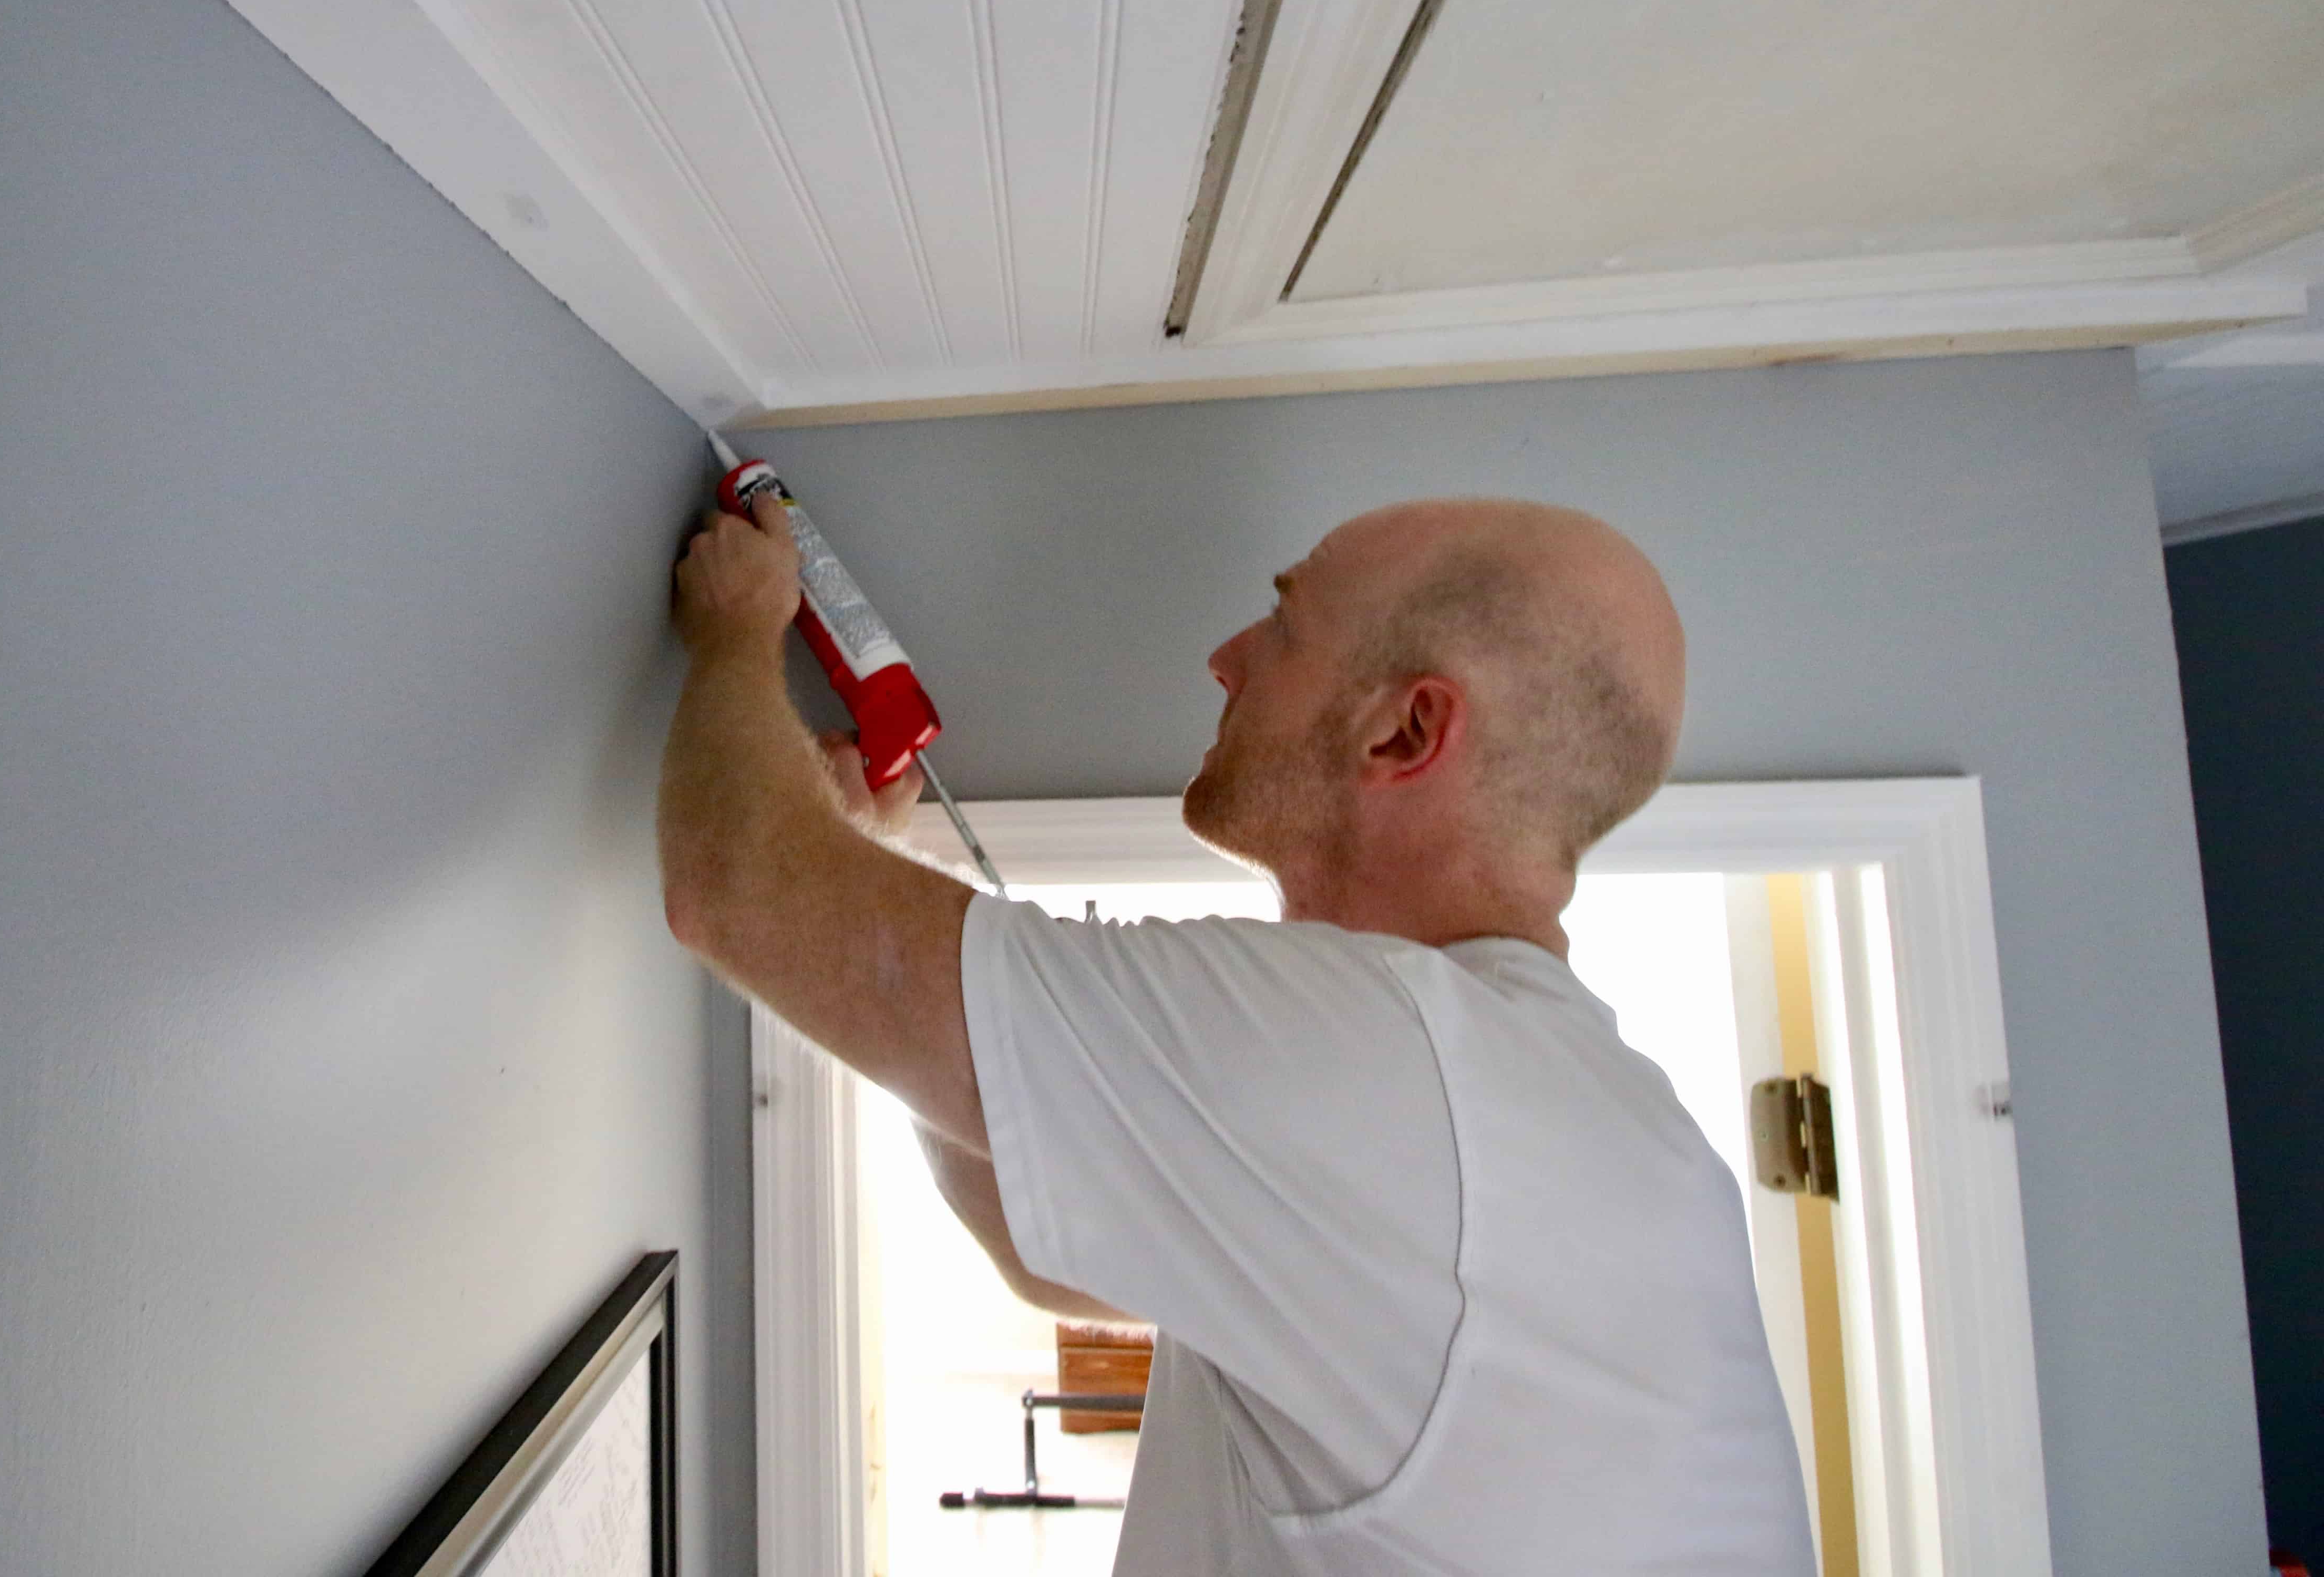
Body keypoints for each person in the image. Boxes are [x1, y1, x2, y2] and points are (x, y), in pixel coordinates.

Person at [659, 492, 1816, 1574]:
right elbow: (1045, 1245)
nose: (1228, 656)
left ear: (1408, 731)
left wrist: (737, 628)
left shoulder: (1394, 1058)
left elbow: (737, 885)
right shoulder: (1575, 1118)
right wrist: (876, 865)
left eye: (1285, 620)